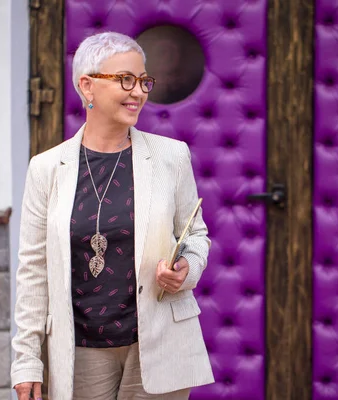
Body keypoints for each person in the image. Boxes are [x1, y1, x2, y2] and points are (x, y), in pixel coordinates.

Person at [11, 31, 214, 400]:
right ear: (87, 86)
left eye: (143, 81)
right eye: (125, 80)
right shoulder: (46, 169)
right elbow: (33, 271)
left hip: (157, 342)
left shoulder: (172, 157)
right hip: (81, 352)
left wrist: (186, 269)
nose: (138, 92)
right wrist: (26, 361)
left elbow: (195, 235)